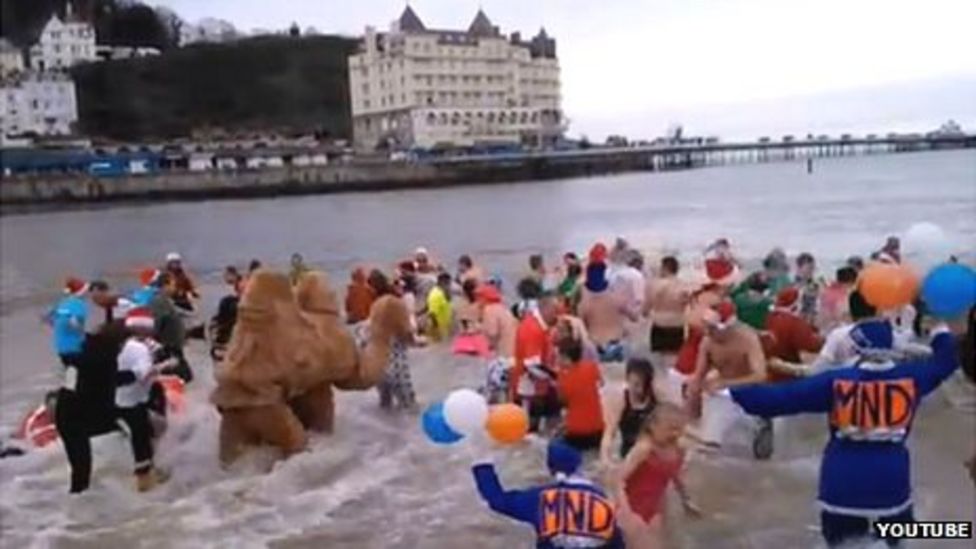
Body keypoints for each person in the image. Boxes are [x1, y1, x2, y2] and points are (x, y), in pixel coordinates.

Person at [731, 319, 960, 548]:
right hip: (891, 487)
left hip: (840, 487)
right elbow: (946, 361)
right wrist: (940, 329)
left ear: (854, 348)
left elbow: (778, 399)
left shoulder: (835, 382)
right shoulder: (913, 379)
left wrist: (730, 391)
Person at [472, 440, 624, 548]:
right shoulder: (603, 498)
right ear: (579, 464)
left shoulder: (540, 498)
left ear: (551, 469)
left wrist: (482, 464)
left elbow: (497, 500)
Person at [686, 300, 771, 458]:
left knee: (749, 450)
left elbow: (760, 375)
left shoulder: (747, 339)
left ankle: (760, 426)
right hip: (722, 392)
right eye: (707, 327)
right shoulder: (708, 342)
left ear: (728, 327)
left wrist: (726, 384)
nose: (708, 332)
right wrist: (690, 413)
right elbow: (698, 377)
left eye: (712, 329)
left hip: (748, 391)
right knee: (708, 441)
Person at [615, 403, 700, 549]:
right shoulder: (644, 449)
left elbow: (676, 474)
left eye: (679, 429)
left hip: (655, 508)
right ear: (653, 426)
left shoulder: (679, 448)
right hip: (632, 507)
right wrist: (627, 513)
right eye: (670, 429)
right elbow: (617, 480)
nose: (675, 434)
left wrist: (686, 500)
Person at [115, 308, 170, 492]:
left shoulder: (117, 344)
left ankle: (144, 473)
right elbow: (143, 374)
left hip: (115, 401)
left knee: (139, 436)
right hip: (132, 400)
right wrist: (161, 367)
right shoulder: (141, 348)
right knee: (143, 438)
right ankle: (145, 483)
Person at [367, 270, 421, 410]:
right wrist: (416, 342)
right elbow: (406, 332)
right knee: (410, 407)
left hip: (377, 363)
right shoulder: (395, 304)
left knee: (385, 407)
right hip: (396, 363)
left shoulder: (375, 306)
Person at [511, 292, 561, 433]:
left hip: (541, 387)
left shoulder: (541, 326)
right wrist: (556, 378)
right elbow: (532, 365)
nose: (557, 314)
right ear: (544, 308)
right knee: (528, 432)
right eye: (555, 310)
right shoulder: (533, 329)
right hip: (527, 389)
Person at [600, 358, 657, 465]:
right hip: (630, 453)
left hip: (653, 451)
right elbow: (609, 433)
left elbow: (672, 419)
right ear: (627, 380)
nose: (639, 389)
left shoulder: (656, 397)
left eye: (642, 385)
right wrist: (605, 458)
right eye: (635, 384)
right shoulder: (621, 401)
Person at [555, 329, 604, 451]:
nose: (557, 360)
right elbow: (601, 383)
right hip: (598, 430)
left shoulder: (563, 377)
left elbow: (562, 401)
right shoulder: (592, 367)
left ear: (566, 358)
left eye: (559, 356)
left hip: (577, 433)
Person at [763, 287, 824, 382]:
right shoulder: (793, 322)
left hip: (772, 373)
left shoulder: (771, 317)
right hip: (789, 377)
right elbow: (811, 345)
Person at [579, 258, 633, 362]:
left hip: (596, 346)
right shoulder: (617, 298)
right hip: (616, 344)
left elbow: (581, 328)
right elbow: (634, 316)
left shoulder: (584, 304)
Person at [644, 256, 688, 364]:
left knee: (659, 360)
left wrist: (645, 314)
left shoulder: (657, 285)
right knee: (674, 359)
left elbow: (646, 307)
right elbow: (687, 305)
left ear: (664, 268)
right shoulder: (683, 286)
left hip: (660, 324)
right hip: (677, 325)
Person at [479, 283, 518, 403]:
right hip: (514, 357)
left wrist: (481, 329)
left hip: (503, 359)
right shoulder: (504, 309)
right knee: (509, 394)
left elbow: (492, 333)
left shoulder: (489, 310)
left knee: (492, 397)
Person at [149, 272, 191, 382]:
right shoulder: (159, 301)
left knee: (184, 376)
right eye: (173, 285)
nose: (175, 288)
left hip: (174, 346)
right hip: (167, 347)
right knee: (183, 376)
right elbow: (156, 324)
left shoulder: (166, 300)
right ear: (165, 285)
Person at [44, 277, 90, 371]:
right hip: (76, 347)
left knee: (70, 372)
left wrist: (60, 326)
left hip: (61, 347)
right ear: (81, 292)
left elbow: (47, 318)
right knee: (81, 373)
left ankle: (70, 384)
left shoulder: (62, 304)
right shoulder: (80, 305)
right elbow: (78, 325)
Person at [819, 266, 858, 332]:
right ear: (851, 282)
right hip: (838, 332)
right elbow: (845, 317)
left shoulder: (825, 291)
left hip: (823, 331)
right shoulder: (846, 296)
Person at [794, 252, 822, 325]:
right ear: (799, 268)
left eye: (813, 268)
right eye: (809, 268)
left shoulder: (815, 285)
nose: (811, 271)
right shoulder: (792, 285)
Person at [426, 272, 454, 342]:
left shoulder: (442, 292)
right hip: (439, 331)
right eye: (448, 283)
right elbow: (432, 314)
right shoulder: (435, 295)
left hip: (444, 329)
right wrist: (437, 331)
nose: (449, 286)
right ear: (442, 282)